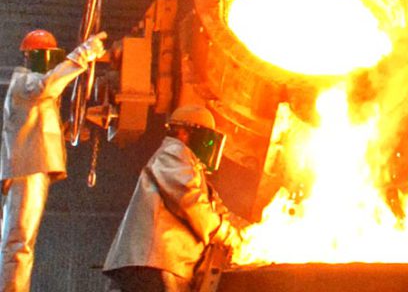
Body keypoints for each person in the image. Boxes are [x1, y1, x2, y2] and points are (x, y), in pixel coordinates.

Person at [1, 27, 108, 292]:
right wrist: (84, 55)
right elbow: (48, 85)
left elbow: (38, 126)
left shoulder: (34, 91)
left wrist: (69, 131)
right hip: (27, 167)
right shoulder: (26, 83)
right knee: (18, 241)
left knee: (22, 240)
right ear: (34, 56)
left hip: (32, 166)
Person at [104, 105, 245, 292]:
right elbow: (191, 202)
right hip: (155, 262)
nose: (209, 146)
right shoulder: (173, 152)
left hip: (161, 265)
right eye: (207, 139)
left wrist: (244, 231)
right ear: (183, 133)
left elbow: (215, 208)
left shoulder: (191, 169)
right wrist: (226, 235)